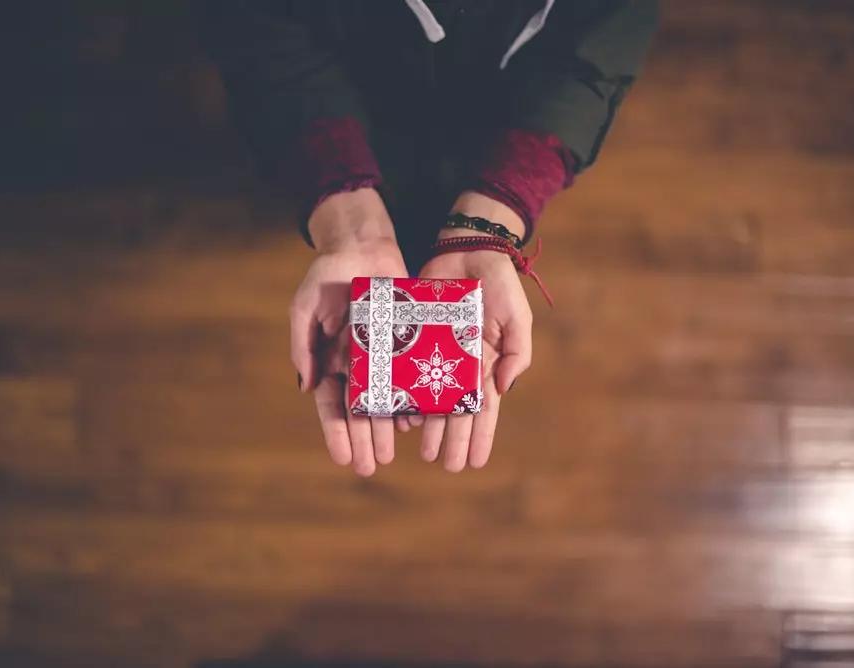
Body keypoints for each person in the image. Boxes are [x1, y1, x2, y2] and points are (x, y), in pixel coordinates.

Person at [198, 1, 657, 476]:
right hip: (339, 111)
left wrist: (497, 207)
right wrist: (343, 209)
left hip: (496, 127)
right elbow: (254, 30)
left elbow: (603, 43)